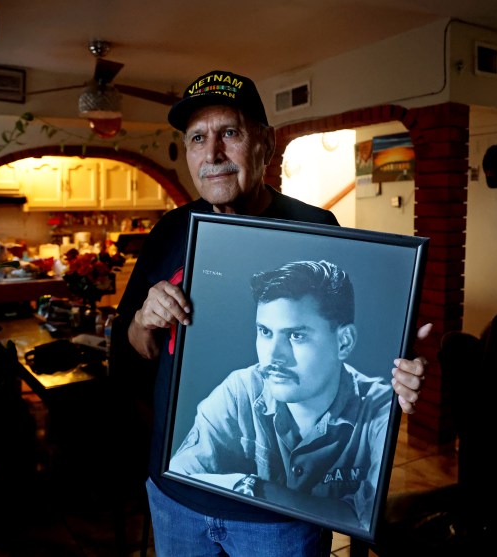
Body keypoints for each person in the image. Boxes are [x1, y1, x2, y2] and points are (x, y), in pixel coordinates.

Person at [113, 69, 430, 557]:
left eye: (230, 133)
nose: (213, 153)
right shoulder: (170, 230)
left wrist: (398, 375)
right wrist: (142, 321)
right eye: (198, 138)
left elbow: (359, 352)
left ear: (267, 142)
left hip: (279, 518)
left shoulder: (316, 227)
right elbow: (131, 349)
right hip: (175, 495)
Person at [169, 259, 389, 532]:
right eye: (265, 332)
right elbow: (182, 473)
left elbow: (370, 520)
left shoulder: (380, 408)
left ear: (343, 342)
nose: (273, 356)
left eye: (296, 336)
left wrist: (258, 490)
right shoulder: (241, 390)